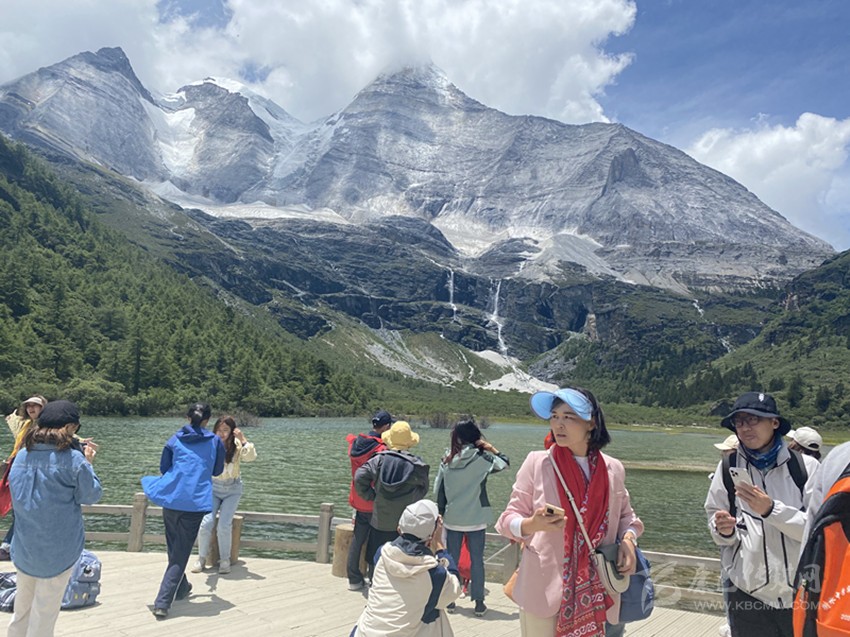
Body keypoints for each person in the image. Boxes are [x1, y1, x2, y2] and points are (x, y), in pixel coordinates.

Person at [496, 387, 643, 637]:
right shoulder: (537, 462)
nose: (558, 424)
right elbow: (506, 520)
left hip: (597, 587)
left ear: (591, 423)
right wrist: (532, 524)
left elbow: (628, 518)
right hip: (543, 589)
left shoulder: (613, 469)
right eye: (554, 416)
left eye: (568, 417)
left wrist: (628, 540)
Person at [704, 391, 819, 637]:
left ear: (774, 422)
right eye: (739, 421)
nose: (745, 428)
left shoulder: (806, 468)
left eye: (753, 419)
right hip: (746, 594)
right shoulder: (728, 466)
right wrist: (723, 530)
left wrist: (770, 509)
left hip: (800, 593)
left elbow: (816, 531)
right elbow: (715, 517)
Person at [7, 400, 102, 637]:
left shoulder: (22, 456)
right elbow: (90, 495)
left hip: (25, 546)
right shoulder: (73, 460)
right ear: (70, 427)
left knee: (21, 611)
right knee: (44, 614)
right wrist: (88, 463)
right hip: (58, 549)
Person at [142, 403, 225, 619]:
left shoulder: (175, 439)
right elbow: (217, 470)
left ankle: (182, 587)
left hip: (171, 497)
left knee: (174, 547)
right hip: (194, 502)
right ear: (207, 420)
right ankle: (162, 602)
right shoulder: (215, 441)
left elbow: (164, 467)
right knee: (180, 553)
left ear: (188, 417)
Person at [352, 499, 462, 637]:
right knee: (435, 611)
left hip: (364, 633)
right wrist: (440, 546)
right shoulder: (433, 573)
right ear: (433, 534)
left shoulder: (382, 554)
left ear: (399, 528)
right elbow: (454, 589)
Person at [434, 418, 509, 617]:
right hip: (476, 518)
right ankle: (479, 603)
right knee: (477, 561)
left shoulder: (447, 459)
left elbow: (438, 489)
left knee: (451, 560)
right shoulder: (482, 459)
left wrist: (440, 512)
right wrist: (491, 448)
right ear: (475, 436)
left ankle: (450, 600)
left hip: (453, 517)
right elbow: (505, 463)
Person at [354, 421, 429, 572]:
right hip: (405, 524)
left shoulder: (379, 460)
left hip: (380, 521)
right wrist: (412, 499)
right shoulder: (417, 465)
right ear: (409, 442)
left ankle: (375, 583)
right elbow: (424, 488)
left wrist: (372, 496)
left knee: (376, 560)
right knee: (402, 563)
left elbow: (359, 477)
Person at [192, 415, 257, 575]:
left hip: (232, 489)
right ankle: (201, 559)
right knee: (206, 523)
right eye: (219, 430)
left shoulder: (237, 444)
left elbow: (250, 457)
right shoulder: (210, 443)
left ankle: (225, 560)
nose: (222, 433)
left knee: (224, 525)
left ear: (232, 431)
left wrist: (243, 439)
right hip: (213, 487)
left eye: (226, 430)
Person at [345, 410, 392, 590]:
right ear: (386, 427)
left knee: (358, 539)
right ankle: (375, 579)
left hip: (358, 497)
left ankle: (353, 579)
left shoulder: (356, 443)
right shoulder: (381, 449)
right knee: (376, 541)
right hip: (374, 499)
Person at [1, 395, 47, 560]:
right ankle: (12, 548)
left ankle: (8, 547)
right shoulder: (26, 425)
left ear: (43, 408)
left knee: (23, 511)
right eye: (29, 406)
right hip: (18, 471)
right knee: (20, 511)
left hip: (34, 473)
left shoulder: (47, 427)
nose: (31, 408)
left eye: (35, 405)